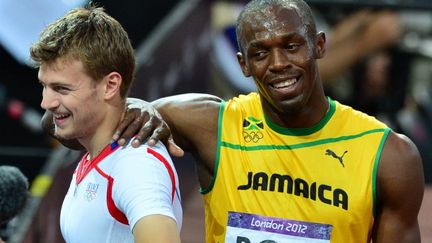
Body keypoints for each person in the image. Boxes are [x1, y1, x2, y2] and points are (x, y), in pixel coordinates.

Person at [43, 0, 424, 242]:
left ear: (318, 46)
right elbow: (76, 120)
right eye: (260, 53)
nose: (278, 65)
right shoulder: (210, 123)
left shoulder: (388, 155)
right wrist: (142, 109)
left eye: (292, 46)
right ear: (243, 64)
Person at [31, 6, 182, 243]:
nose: (45, 102)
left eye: (62, 88)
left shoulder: (137, 166)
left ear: (110, 85)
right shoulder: (98, 149)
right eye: (44, 85)